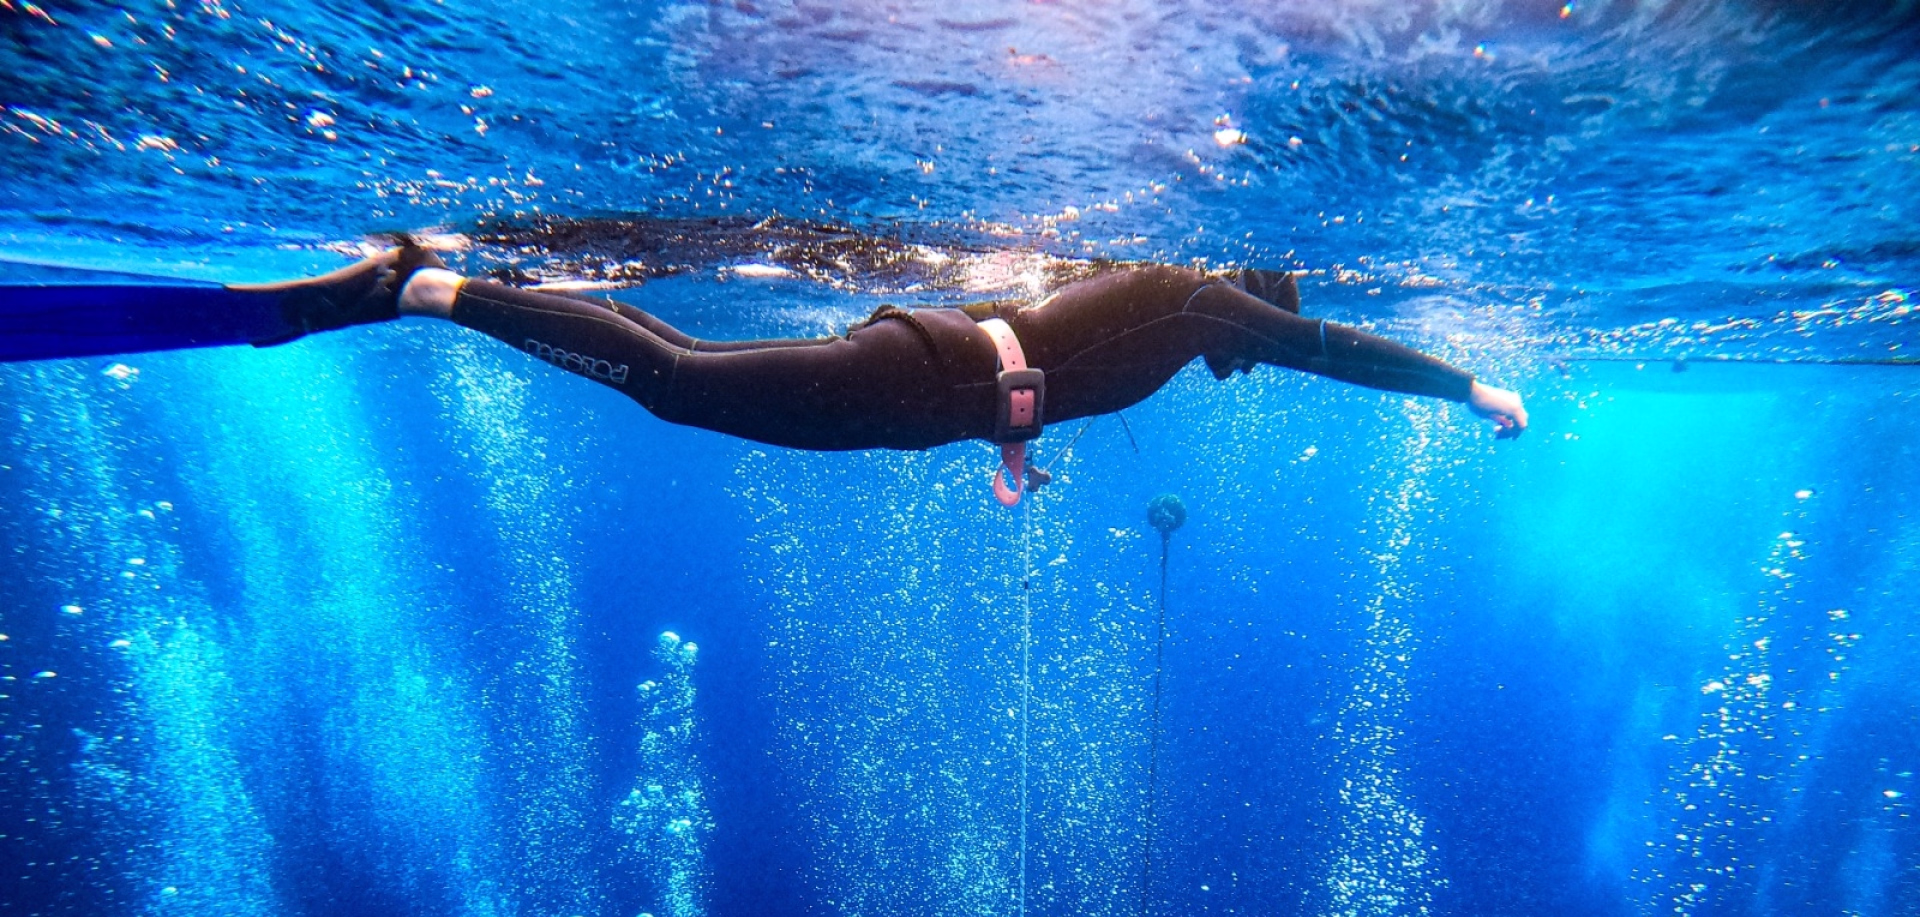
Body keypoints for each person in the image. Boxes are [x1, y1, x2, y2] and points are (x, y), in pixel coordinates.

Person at [13, 242, 1529, 469]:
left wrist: (1013, 442)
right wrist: (1465, 385)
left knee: (672, 356)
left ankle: (499, 284)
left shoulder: (1162, 323)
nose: (1246, 367)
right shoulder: (1214, 307)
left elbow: (1065, 355)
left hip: (939, 394)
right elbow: (1330, 350)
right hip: (913, 377)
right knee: (671, 388)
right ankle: (427, 288)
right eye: (1252, 344)